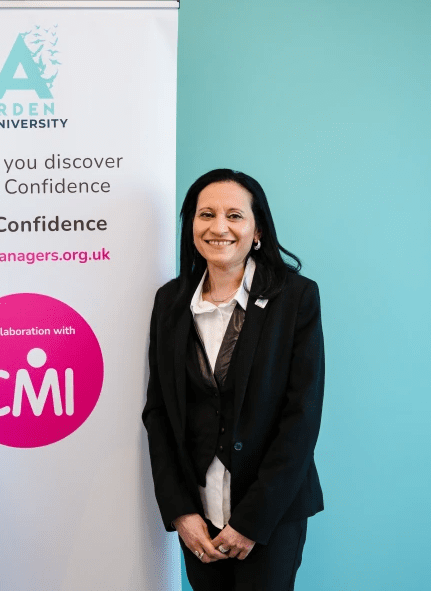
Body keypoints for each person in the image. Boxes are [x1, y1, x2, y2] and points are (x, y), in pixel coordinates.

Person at [142, 169, 324, 590]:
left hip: (270, 517)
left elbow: (302, 416)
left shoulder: (295, 298)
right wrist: (180, 511)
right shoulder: (169, 302)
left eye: (234, 215)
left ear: (257, 229)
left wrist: (252, 521)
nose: (218, 227)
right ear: (191, 227)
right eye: (206, 214)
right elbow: (159, 413)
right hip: (198, 521)